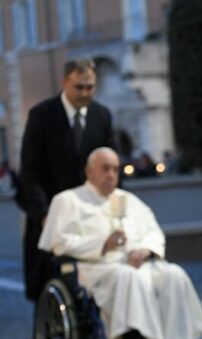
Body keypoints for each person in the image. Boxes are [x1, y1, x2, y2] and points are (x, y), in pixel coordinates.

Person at [38, 147, 202, 339]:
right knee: (129, 278)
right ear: (89, 172)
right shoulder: (68, 201)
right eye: (105, 169)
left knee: (174, 275)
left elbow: (153, 231)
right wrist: (102, 244)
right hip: (97, 269)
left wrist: (146, 250)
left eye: (115, 169)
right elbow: (59, 242)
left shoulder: (129, 201)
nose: (111, 174)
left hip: (140, 264)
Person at [16, 59, 115, 304]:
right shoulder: (41, 115)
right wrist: (43, 214)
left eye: (90, 87)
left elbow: (111, 165)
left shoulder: (101, 116)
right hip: (49, 210)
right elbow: (31, 170)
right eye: (79, 87)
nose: (85, 93)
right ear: (65, 83)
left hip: (89, 213)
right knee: (48, 281)